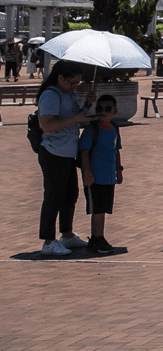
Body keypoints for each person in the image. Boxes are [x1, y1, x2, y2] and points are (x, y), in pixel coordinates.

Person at [34, 60, 93, 255]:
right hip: (53, 151)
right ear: (60, 78)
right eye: (72, 82)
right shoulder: (51, 95)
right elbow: (47, 126)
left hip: (68, 151)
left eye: (78, 83)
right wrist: (76, 119)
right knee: (53, 196)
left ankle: (67, 234)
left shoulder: (68, 93)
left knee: (70, 194)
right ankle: (48, 241)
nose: (75, 86)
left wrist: (87, 105)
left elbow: (74, 117)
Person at [76, 94, 123, 254]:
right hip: (95, 177)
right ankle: (96, 238)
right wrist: (87, 173)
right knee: (96, 209)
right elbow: (83, 153)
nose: (103, 112)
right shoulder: (91, 130)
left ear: (115, 111)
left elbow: (116, 151)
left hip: (109, 177)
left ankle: (100, 236)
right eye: (99, 109)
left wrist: (119, 170)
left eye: (108, 109)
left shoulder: (115, 128)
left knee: (103, 209)